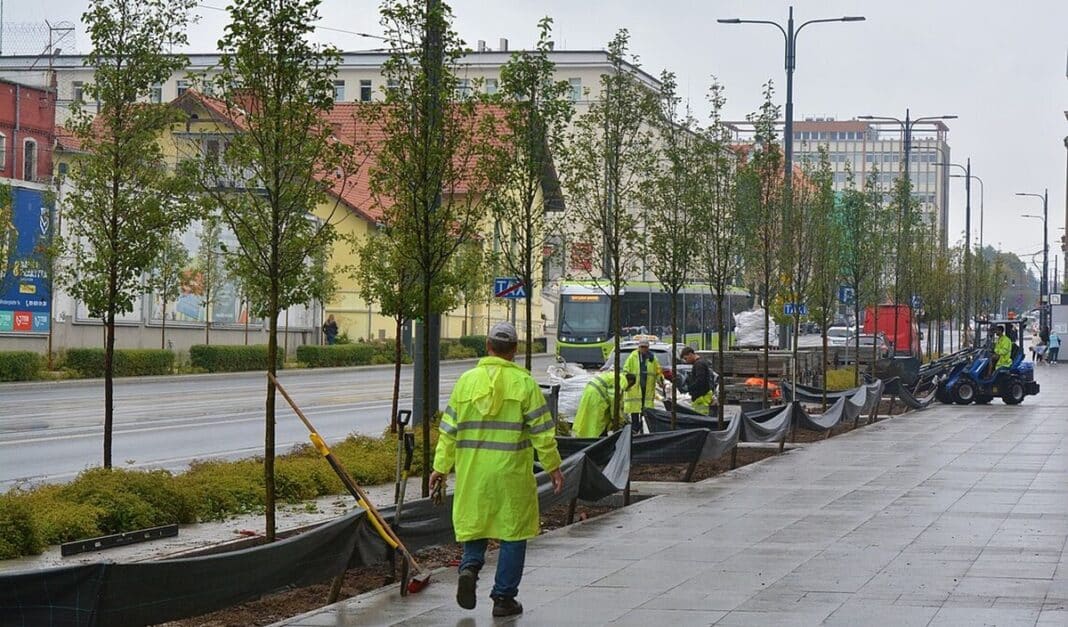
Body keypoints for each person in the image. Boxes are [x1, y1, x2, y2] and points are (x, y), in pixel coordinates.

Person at [429, 322, 563, 618]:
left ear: (486, 346)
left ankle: (470, 566)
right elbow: (542, 432)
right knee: (513, 532)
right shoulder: (525, 383)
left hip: (473, 472)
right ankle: (503, 599)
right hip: (511, 473)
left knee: (476, 522)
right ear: (514, 350)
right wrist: (553, 467)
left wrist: (440, 467)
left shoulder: (465, 382)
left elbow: (449, 430)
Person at [571, 371, 637, 438]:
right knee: (596, 422)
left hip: (589, 392)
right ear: (630, 381)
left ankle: (584, 436)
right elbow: (614, 400)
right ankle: (595, 439)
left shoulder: (615, 375)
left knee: (586, 417)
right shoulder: (622, 381)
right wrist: (616, 417)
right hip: (597, 397)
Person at [623, 340, 663, 435]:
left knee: (647, 411)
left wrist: (661, 380)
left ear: (648, 347)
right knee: (635, 410)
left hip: (647, 389)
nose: (643, 349)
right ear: (639, 347)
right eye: (642, 347)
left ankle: (647, 430)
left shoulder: (652, 358)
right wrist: (628, 383)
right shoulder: (633, 357)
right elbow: (626, 370)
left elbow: (658, 371)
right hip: (635, 389)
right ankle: (635, 429)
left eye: (645, 347)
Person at [678, 346, 715, 415]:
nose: (686, 361)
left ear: (690, 354)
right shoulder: (700, 363)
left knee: (701, 417)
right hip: (702, 397)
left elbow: (700, 381)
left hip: (701, 398)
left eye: (686, 358)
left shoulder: (699, 364)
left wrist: (689, 388)